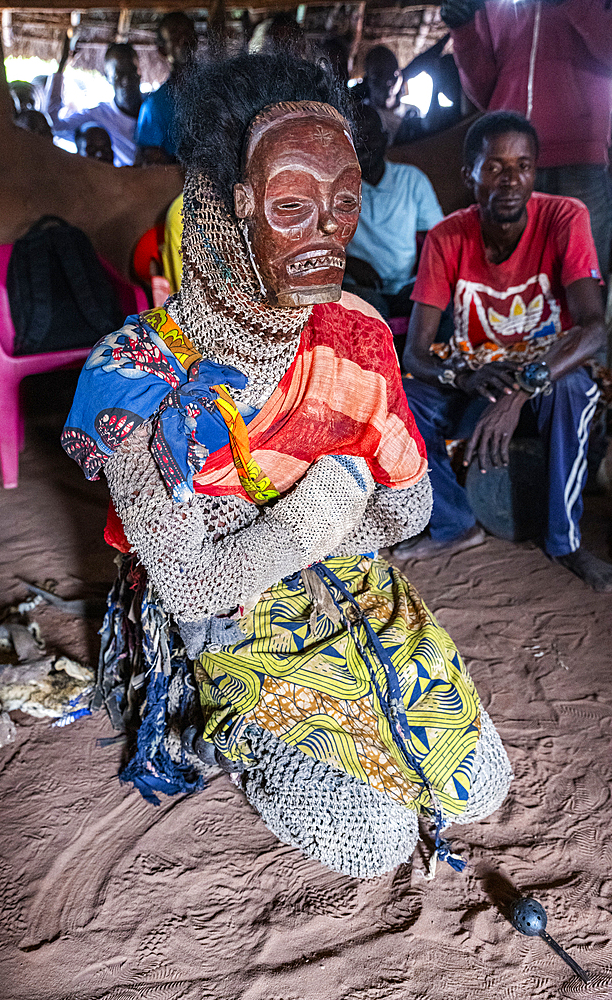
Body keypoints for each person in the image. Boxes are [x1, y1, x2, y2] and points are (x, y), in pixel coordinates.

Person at [62, 53, 512, 878]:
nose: (325, 235)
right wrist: (328, 505)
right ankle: (221, 722)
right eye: (292, 206)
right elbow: (192, 587)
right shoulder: (135, 376)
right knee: (369, 839)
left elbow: (408, 511)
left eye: (342, 205)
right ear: (228, 207)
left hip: (342, 566)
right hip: (230, 606)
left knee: (479, 787)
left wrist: (300, 525)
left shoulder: (357, 330)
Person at [399, 111, 612, 592]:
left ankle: (567, 542)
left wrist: (521, 389)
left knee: (575, 388)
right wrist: (463, 379)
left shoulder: (565, 217)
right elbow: (416, 355)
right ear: (469, 175)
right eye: (494, 167)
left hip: (544, 374)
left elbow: (594, 329)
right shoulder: (446, 237)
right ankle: (456, 525)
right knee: (402, 402)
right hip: (477, 377)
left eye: (523, 165)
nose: (511, 180)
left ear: (536, 171)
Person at [440, 0, 612, 285]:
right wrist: (464, 30)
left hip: (578, 159)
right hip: (509, 160)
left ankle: (584, 330)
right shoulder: (498, 5)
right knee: (516, 274)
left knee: (585, 274)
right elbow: (485, 92)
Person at [344, 102, 444, 322]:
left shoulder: (411, 180)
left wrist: (425, 279)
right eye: (354, 137)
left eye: (369, 135)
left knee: (441, 302)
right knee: (371, 309)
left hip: (407, 285)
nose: (362, 144)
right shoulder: (338, 187)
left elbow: (436, 238)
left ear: (385, 138)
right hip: (357, 285)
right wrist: (347, 263)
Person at [46, 40, 143, 166]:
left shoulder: (154, 110)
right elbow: (54, 127)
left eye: (131, 71)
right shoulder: (98, 115)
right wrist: (60, 69)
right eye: (119, 74)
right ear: (108, 77)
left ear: (139, 72)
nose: (126, 79)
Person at [134, 12, 198, 166]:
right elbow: (154, 159)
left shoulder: (219, 88)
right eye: (175, 36)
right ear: (163, 49)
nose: (184, 40)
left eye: (188, 33)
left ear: (196, 40)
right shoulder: (154, 105)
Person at [352, 45, 420, 148]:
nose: (388, 81)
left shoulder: (412, 114)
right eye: (378, 75)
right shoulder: (357, 116)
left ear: (401, 76)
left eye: (393, 74)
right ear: (368, 79)